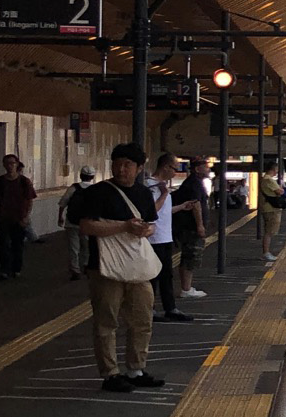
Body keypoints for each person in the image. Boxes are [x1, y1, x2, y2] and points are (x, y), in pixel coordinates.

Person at [68, 143, 165, 393]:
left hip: (137, 266)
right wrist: (124, 227)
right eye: (117, 163)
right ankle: (110, 373)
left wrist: (146, 230)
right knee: (106, 322)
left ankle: (136, 368)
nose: (121, 169)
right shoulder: (98, 193)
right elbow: (86, 227)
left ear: (139, 168)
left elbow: (151, 224)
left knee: (142, 319)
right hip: (103, 267)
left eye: (128, 165)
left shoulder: (143, 194)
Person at [148, 154, 194, 323]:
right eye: (175, 169)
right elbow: (151, 210)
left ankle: (170, 308)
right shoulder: (150, 186)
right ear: (165, 167)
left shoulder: (162, 188)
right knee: (153, 276)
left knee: (167, 275)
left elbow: (164, 211)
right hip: (153, 239)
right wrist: (163, 194)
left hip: (164, 238)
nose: (176, 173)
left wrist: (181, 207)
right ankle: (150, 308)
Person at [0, 152, 36, 280]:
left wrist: (26, 217)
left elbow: (29, 200)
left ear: (17, 165)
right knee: (4, 244)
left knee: (18, 245)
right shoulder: (0, 182)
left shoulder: (24, 182)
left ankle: (16, 268)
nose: (10, 166)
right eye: (7, 164)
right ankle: (4, 270)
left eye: (12, 163)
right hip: (3, 218)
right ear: (4, 165)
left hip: (19, 219)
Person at [173, 157, 207, 299]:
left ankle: (186, 287)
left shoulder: (193, 182)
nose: (208, 169)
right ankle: (186, 289)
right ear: (198, 169)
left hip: (188, 226)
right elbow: (195, 204)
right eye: (206, 166)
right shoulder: (194, 184)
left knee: (189, 255)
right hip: (191, 227)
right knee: (191, 256)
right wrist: (200, 225)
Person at [59, 166, 96, 279]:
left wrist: (60, 217)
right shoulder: (95, 189)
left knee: (73, 247)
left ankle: (75, 269)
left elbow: (63, 203)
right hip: (88, 223)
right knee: (87, 246)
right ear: (93, 177)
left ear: (80, 175)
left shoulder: (73, 188)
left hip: (72, 222)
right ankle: (86, 265)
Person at [259, 166, 285, 245]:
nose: (277, 172)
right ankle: (266, 252)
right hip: (271, 209)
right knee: (269, 231)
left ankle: (266, 252)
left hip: (268, 207)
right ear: (273, 170)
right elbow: (280, 192)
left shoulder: (264, 179)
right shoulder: (269, 180)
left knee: (269, 231)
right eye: (276, 170)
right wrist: (281, 190)